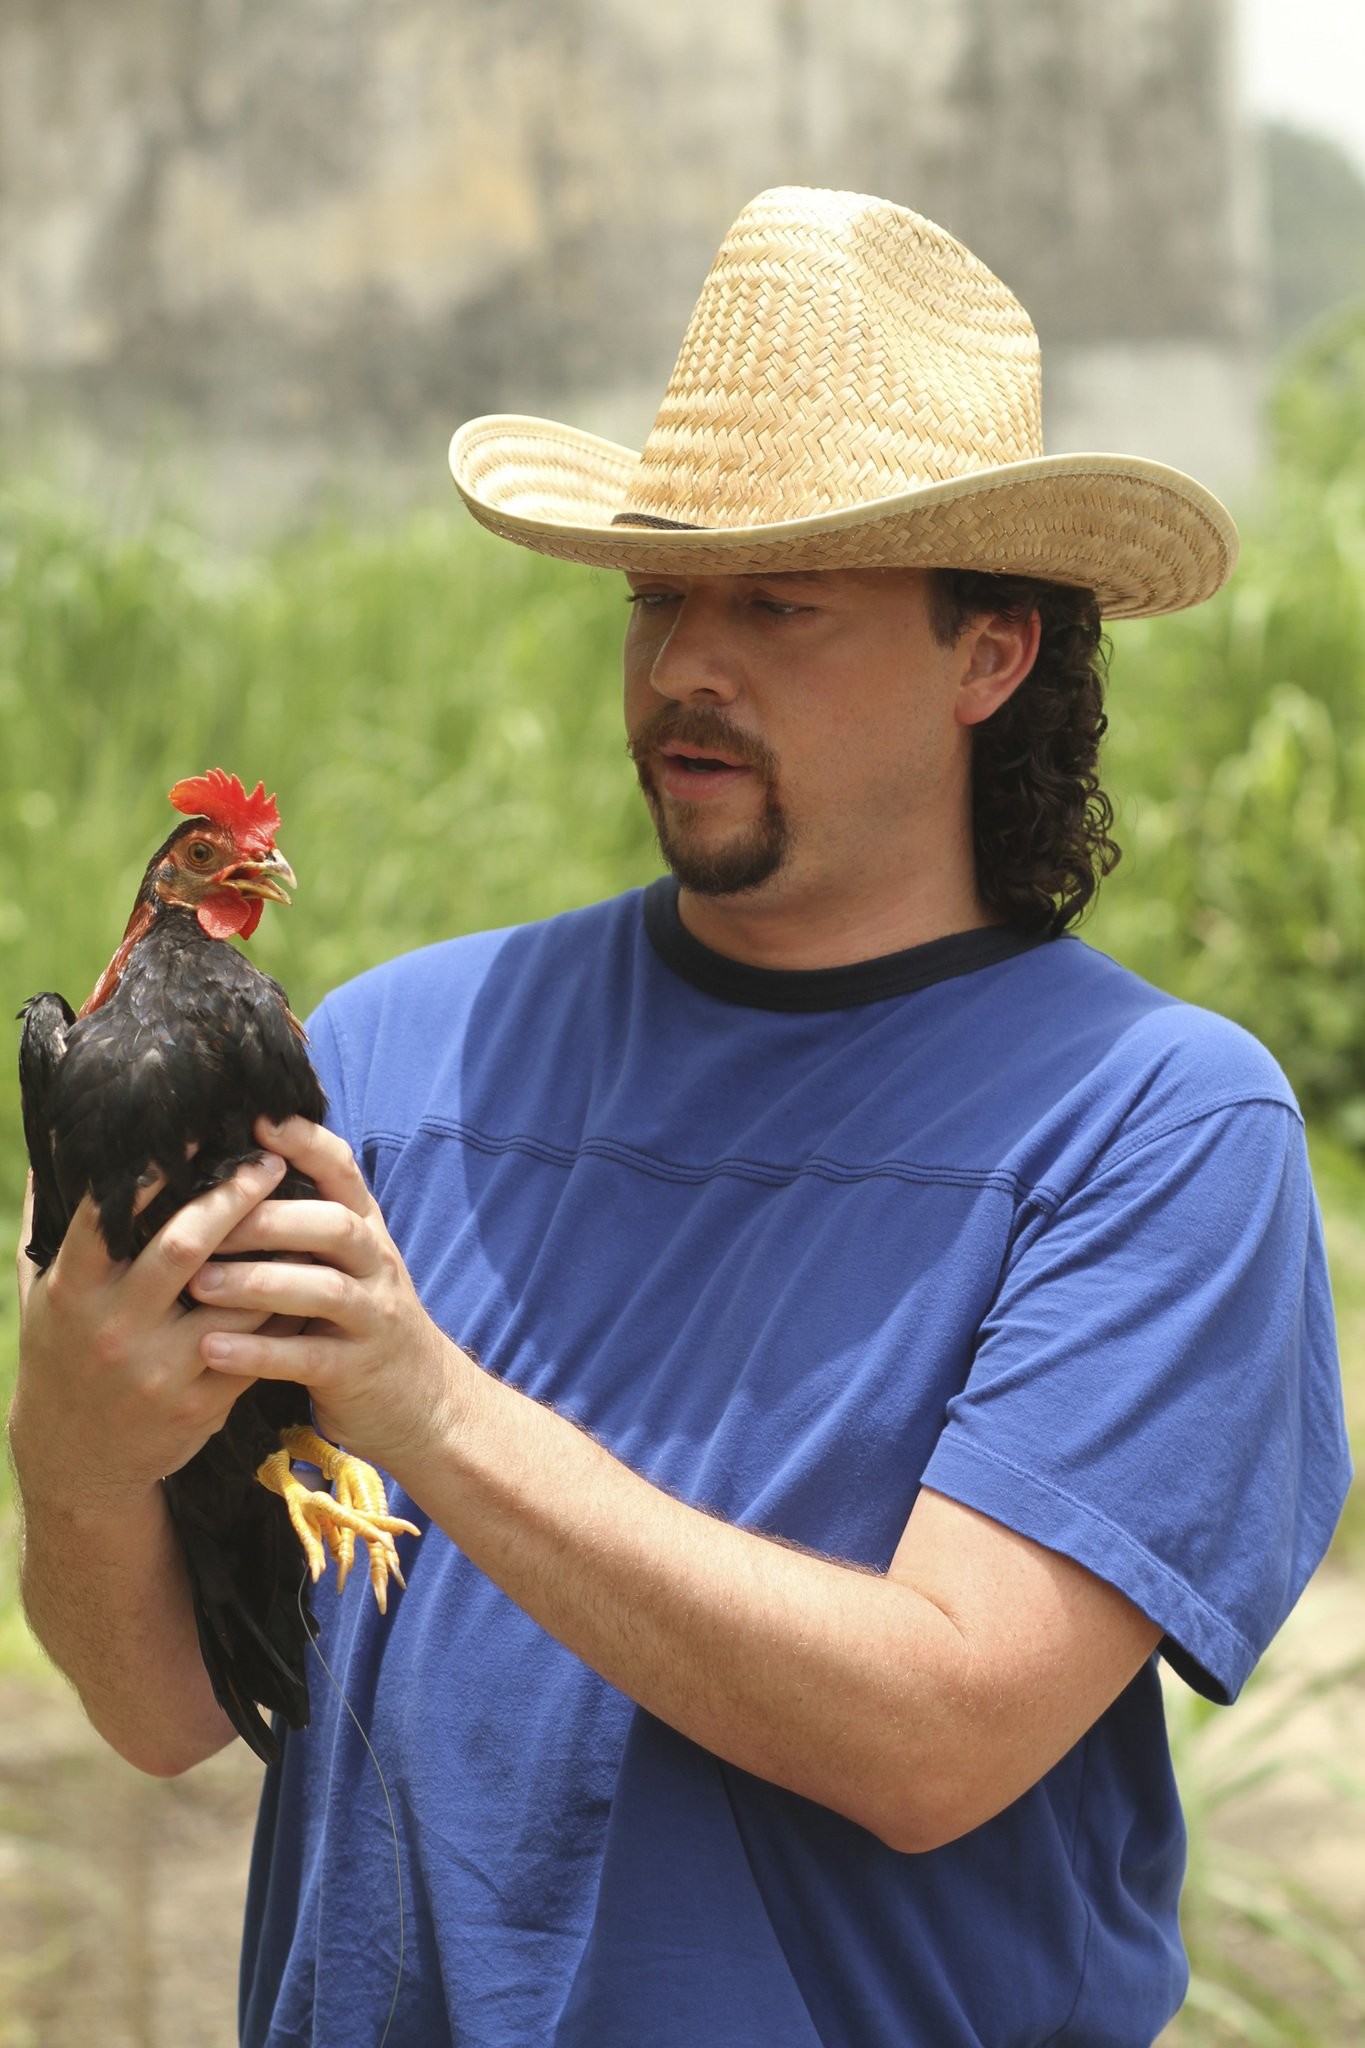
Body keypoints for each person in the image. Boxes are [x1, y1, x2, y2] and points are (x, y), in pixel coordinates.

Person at [10, 187, 1351, 2047]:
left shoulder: (1153, 1127)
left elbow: (938, 1734)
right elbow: (163, 1710)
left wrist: (431, 1406)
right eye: (661, 597)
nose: (681, 668)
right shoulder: (397, 1052)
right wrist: (73, 1452)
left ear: (990, 656)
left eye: (778, 603)